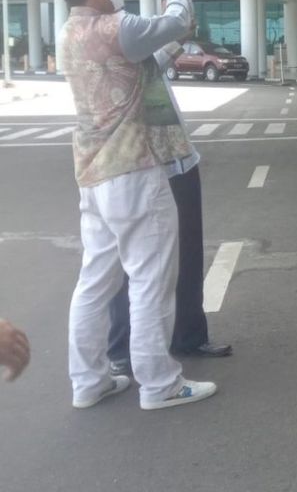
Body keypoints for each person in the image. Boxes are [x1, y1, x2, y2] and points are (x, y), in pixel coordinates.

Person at [51, 0, 217, 411]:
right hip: (134, 172)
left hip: (93, 174)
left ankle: (88, 381)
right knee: (149, 279)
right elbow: (178, 20)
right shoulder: (114, 27)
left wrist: (170, 44)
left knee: (95, 281)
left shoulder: (71, 31)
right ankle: (159, 384)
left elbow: (138, 68)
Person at [106, 26, 232, 378]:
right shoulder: (102, 44)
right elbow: (159, 47)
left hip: (178, 161)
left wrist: (176, 32)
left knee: (187, 254)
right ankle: (122, 349)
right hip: (134, 168)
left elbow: (160, 55)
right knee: (129, 262)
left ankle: (189, 335)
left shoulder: (140, 55)